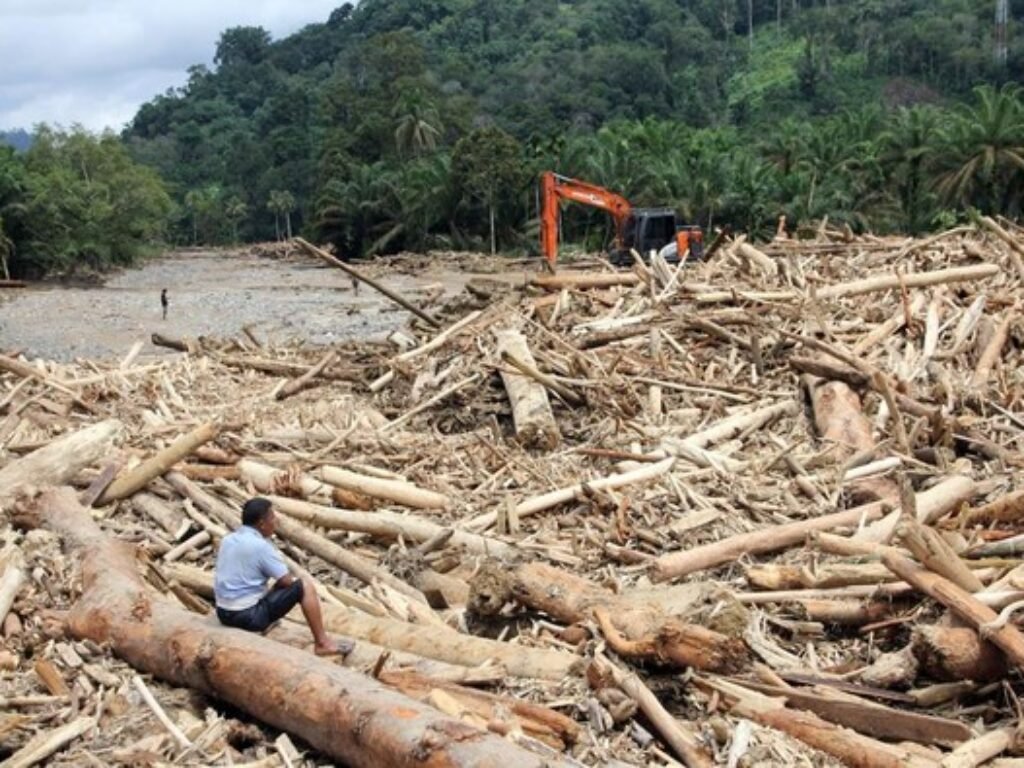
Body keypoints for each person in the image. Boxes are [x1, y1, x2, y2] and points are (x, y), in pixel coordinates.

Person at [214, 497, 351, 656]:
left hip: (223, 613)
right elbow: (286, 580)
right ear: (262, 524)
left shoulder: (228, 539)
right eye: (272, 517)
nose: (276, 521)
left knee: (278, 585)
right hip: (247, 617)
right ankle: (322, 643)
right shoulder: (261, 547)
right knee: (304, 586)